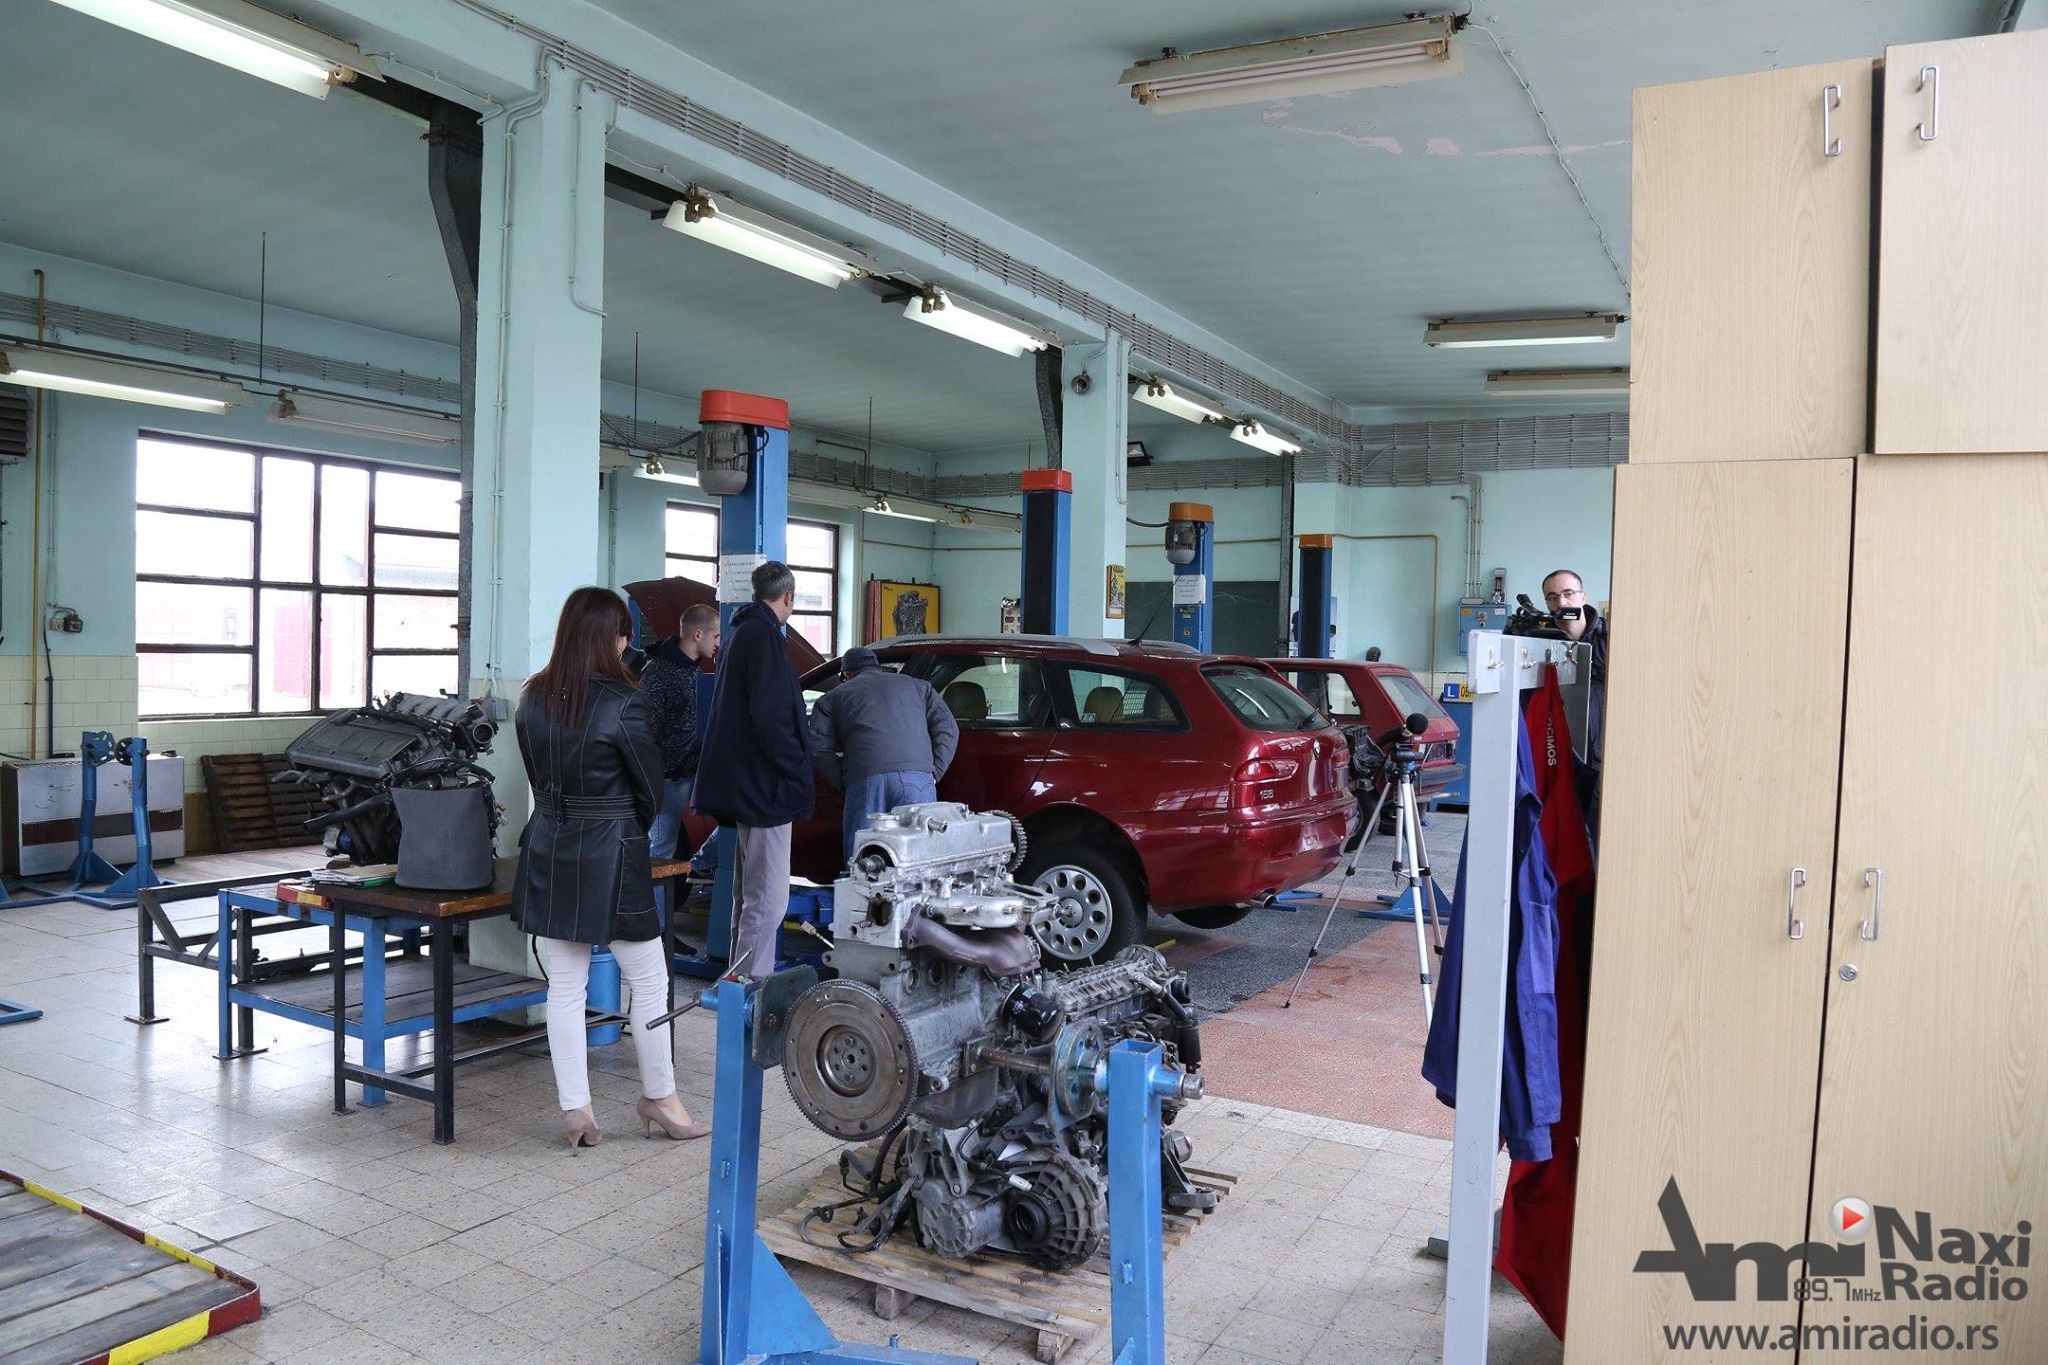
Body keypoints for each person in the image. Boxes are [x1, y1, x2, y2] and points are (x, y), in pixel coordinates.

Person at [511, 586, 708, 1149]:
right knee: (648, 979)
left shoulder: (532, 696)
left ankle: (577, 1111)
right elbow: (650, 788)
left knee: (565, 985)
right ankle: (661, 1099)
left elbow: (537, 777)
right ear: (614, 638)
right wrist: (620, 823)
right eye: (625, 634)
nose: (627, 644)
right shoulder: (623, 699)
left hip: (549, 844)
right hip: (613, 850)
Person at [691, 561, 812, 977]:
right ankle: (748, 985)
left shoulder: (741, 632)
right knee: (768, 898)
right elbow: (771, 715)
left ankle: (738, 976)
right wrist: (796, 765)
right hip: (766, 789)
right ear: (788, 596)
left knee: (749, 895)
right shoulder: (763, 637)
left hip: (748, 785)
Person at [808, 646, 959, 858]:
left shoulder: (832, 698)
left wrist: (846, 779)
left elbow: (817, 747)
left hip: (866, 779)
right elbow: (948, 729)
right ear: (878, 667)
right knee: (918, 857)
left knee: (864, 857)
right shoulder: (920, 686)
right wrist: (935, 771)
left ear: (846, 675)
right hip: (917, 779)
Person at [640, 602, 720, 910]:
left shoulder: (691, 669)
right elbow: (646, 730)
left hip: (689, 772)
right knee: (659, 854)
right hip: (666, 778)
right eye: (715, 636)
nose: (718, 643)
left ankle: (701, 863)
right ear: (698, 634)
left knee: (734, 820)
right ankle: (656, 927)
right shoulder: (660, 673)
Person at [1540, 568, 1609, 833]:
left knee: (1598, 829)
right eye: (1553, 597)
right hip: (1554, 754)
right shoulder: (1539, 640)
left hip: (1600, 757)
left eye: (1568, 593)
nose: (1562, 602)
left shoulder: (1610, 638)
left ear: (1583, 596)